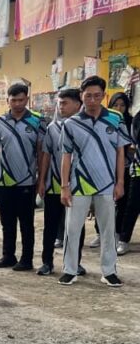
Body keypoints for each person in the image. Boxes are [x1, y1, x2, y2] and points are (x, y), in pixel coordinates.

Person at [59, 75, 130, 287]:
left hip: (107, 184)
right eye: (88, 96)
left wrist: (120, 182)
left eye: (97, 96)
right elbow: (66, 156)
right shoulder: (71, 124)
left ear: (103, 95)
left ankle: (109, 271)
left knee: (108, 229)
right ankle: (70, 270)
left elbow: (120, 152)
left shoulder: (116, 118)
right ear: (81, 96)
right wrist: (64, 186)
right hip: (79, 183)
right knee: (72, 229)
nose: (92, 100)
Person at [0, 82, 45, 271]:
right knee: (7, 222)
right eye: (14, 100)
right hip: (3, 181)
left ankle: (27, 259)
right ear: (8, 101)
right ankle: (8, 256)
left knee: (27, 223)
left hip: (27, 181)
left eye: (21, 100)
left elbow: (41, 153)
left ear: (27, 99)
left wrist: (41, 179)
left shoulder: (37, 121)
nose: (18, 104)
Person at [37, 88, 86, 277]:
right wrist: (42, 181)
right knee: (50, 226)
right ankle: (47, 262)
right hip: (54, 185)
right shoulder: (53, 128)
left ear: (77, 104)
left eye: (65, 103)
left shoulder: (85, 127)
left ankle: (74, 263)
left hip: (78, 186)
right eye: (59, 103)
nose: (61, 107)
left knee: (76, 227)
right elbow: (46, 155)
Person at [108, 93, 133, 242]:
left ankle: (118, 231)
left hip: (125, 167)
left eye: (122, 105)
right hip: (107, 167)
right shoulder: (105, 120)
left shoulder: (131, 122)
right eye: (115, 105)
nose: (119, 108)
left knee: (122, 201)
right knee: (105, 201)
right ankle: (100, 232)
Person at [117, 106, 140, 254]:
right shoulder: (138, 118)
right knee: (132, 207)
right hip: (138, 171)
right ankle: (123, 240)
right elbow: (134, 142)